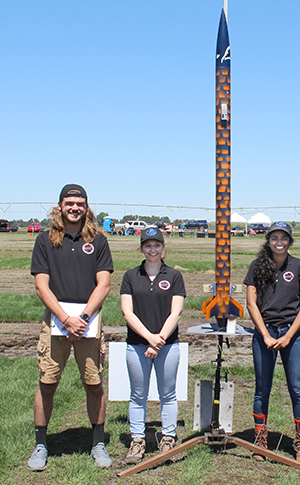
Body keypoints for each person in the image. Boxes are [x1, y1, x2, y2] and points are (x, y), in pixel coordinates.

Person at [28, 184, 114, 471]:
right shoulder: (45, 240)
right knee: (47, 384)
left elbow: (104, 284)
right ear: (60, 206)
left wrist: (84, 318)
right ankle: (41, 444)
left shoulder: (99, 241)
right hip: (56, 322)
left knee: (94, 383)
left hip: (88, 324)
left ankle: (98, 443)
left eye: (79, 203)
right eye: (69, 203)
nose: (74, 208)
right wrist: (65, 319)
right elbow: (41, 285)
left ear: (86, 207)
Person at [244, 221, 300, 464]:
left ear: (290, 241)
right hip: (264, 333)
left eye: (283, 238)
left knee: (297, 388)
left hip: (292, 334)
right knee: (262, 388)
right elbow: (251, 304)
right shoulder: (257, 266)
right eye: (274, 237)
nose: (279, 242)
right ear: (268, 240)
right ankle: (260, 440)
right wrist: (265, 335)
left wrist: (287, 336)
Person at [120, 226, 186, 464]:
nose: (152, 249)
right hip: (137, 345)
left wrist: (158, 343)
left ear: (163, 247)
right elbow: (127, 312)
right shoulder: (130, 276)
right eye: (147, 245)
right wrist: (149, 338)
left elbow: (175, 313)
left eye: (156, 245)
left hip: (168, 346)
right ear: (141, 248)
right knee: (138, 395)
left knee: (168, 393)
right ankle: (137, 440)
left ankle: (168, 437)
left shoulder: (174, 276)